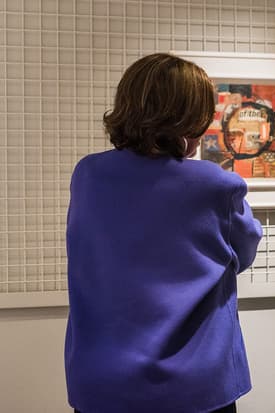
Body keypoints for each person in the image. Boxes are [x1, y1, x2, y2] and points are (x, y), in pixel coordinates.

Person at [65, 53, 262, 413]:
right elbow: (243, 253)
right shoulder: (216, 185)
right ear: (188, 120)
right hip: (195, 386)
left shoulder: (88, 176)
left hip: (100, 381)